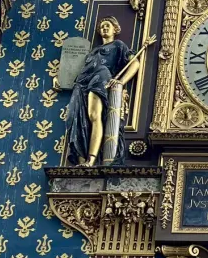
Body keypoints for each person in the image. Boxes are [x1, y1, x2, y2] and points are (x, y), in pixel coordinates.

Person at [66, 17, 154, 167]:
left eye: (107, 26)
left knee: (94, 115)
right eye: (101, 27)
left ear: (115, 29)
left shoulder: (118, 45)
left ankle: (91, 159)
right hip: (81, 83)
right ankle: (81, 159)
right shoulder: (93, 51)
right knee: (76, 118)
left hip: (100, 77)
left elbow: (135, 64)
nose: (104, 28)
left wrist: (121, 81)